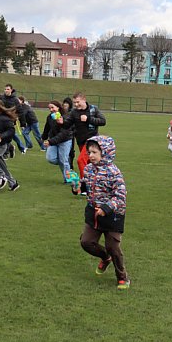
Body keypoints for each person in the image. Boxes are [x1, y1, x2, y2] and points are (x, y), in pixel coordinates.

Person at [78, 135, 130, 290]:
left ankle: (122, 277)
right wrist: (78, 187)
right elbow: (86, 185)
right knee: (86, 242)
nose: (91, 155)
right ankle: (105, 258)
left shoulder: (113, 172)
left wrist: (106, 208)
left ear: (105, 152)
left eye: (94, 152)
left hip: (112, 215)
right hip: (93, 212)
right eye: (89, 152)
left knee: (112, 247)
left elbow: (120, 195)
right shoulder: (88, 169)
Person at [63, 92, 106, 179]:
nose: (76, 104)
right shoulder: (74, 112)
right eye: (74, 102)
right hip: (80, 140)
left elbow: (103, 121)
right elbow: (67, 125)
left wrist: (88, 119)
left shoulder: (93, 109)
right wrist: (61, 122)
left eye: (78, 102)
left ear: (84, 100)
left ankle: (85, 185)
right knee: (90, 163)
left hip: (92, 140)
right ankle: (97, 181)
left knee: (81, 160)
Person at [42, 100, 74, 185]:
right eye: (49, 108)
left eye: (52, 107)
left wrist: (50, 141)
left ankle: (68, 179)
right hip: (53, 140)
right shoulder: (50, 117)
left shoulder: (66, 117)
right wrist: (43, 138)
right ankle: (66, 162)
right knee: (51, 159)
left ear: (58, 107)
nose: (51, 110)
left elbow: (64, 134)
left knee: (63, 160)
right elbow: (47, 128)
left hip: (65, 140)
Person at [0, 85, 26, 156]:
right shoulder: (2, 98)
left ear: (11, 90)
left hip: (10, 121)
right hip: (2, 120)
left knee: (7, 136)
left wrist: (22, 123)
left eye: (7, 89)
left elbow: (20, 111)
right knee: (4, 136)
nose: (6, 91)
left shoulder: (15, 100)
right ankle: (10, 148)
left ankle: (5, 153)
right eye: (5, 89)